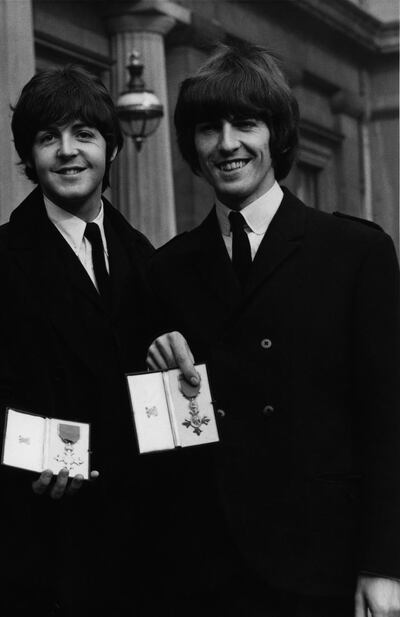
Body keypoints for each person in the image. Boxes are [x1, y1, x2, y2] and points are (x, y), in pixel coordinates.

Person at [147, 43, 400, 617]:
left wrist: (384, 565)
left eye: (246, 124)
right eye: (210, 128)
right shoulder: (166, 269)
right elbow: (165, 434)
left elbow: (388, 420)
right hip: (203, 571)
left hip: (322, 566)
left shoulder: (355, 252)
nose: (228, 144)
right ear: (193, 145)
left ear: (278, 134)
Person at [0, 65, 189, 616]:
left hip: (139, 547)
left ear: (112, 150)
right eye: (48, 137)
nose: (67, 152)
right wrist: (34, 462)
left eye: (84, 135)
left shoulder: (148, 259)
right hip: (37, 546)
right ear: (29, 158)